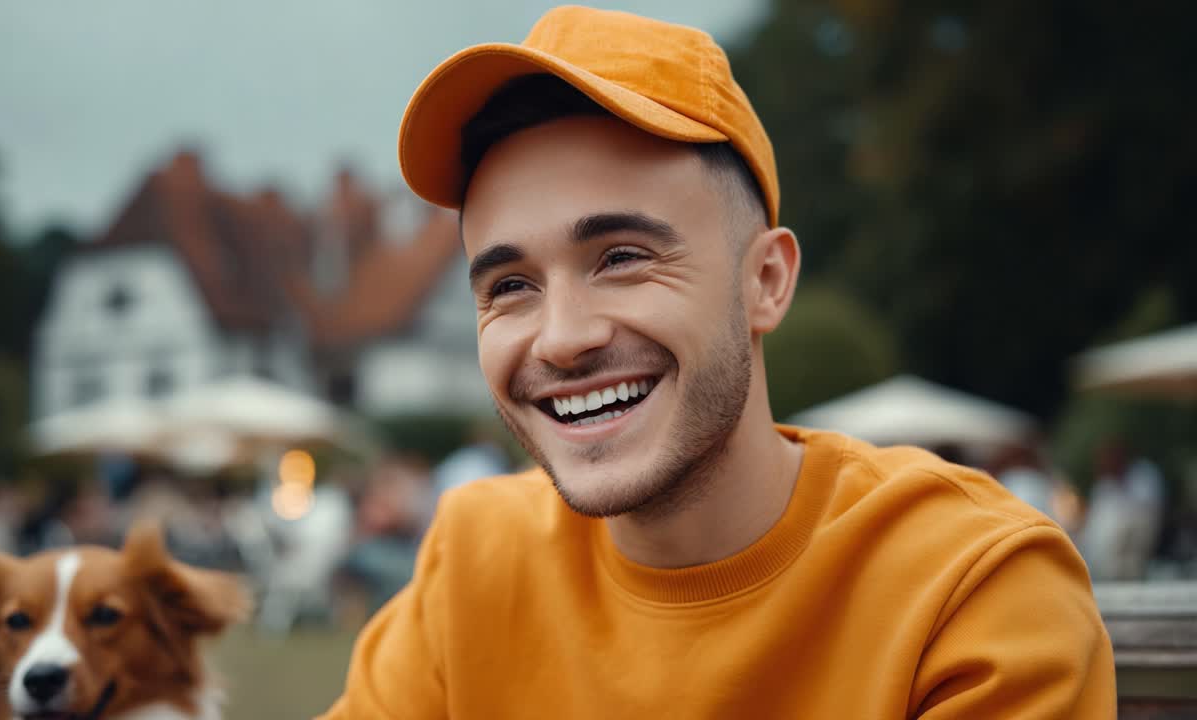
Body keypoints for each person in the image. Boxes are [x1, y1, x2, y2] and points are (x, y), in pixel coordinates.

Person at [318, 7, 1114, 718]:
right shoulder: (476, 559)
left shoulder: (967, 586)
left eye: (621, 257)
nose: (560, 339)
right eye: (510, 286)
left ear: (765, 281)